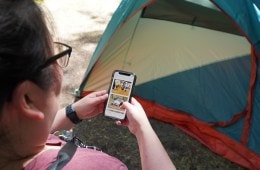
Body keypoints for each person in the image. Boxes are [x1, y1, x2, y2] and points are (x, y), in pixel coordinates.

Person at [0, 0, 176, 169]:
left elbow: (22, 131)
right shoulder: (100, 167)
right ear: (28, 99)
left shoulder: (16, 143)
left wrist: (72, 113)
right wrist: (143, 130)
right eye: (54, 57)